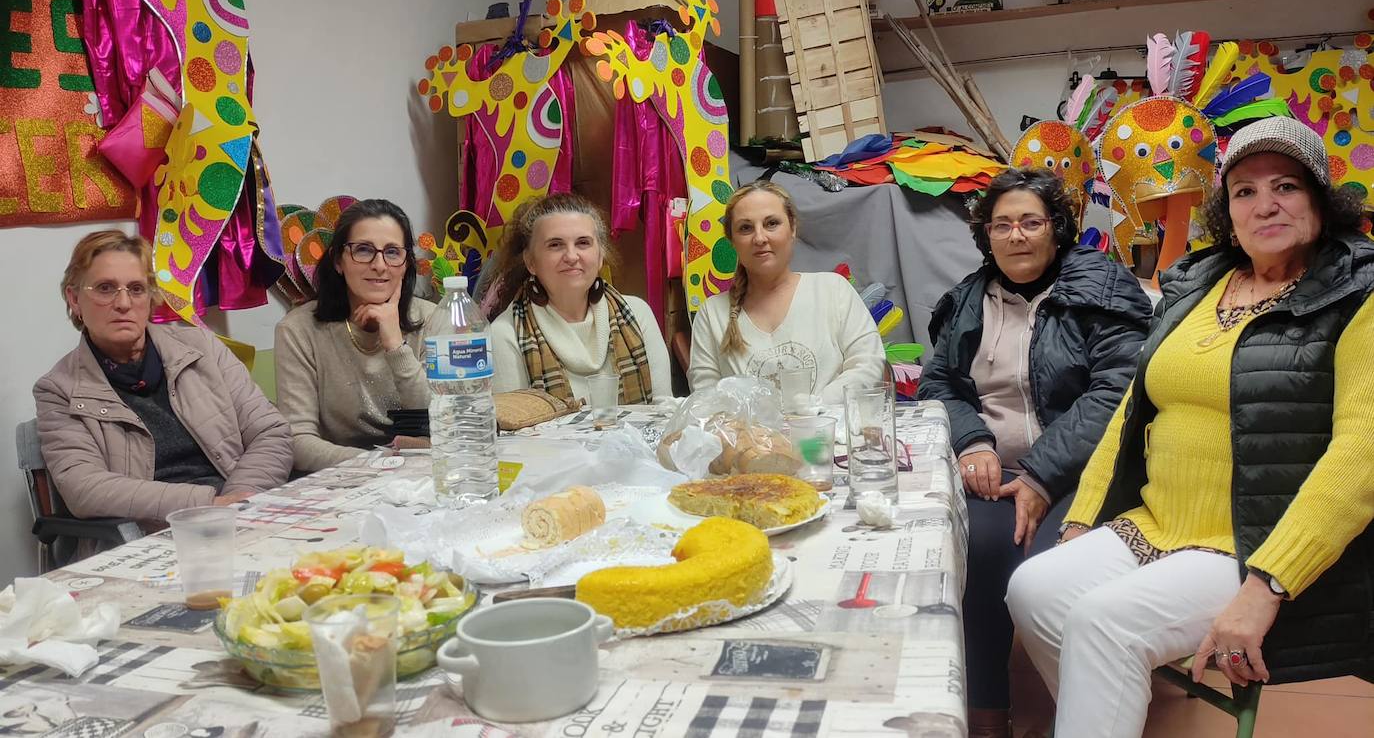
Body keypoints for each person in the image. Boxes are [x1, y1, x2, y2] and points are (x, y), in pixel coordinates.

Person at [1006, 116, 1374, 738]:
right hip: (1158, 521)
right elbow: (1132, 410)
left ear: (1320, 198)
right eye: (1245, 191)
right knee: (1034, 590)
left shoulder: (1356, 294)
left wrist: (1265, 586)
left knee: (1103, 622)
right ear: (1227, 211)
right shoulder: (1198, 285)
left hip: (1254, 538)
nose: (1266, 205)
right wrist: (1079, 520)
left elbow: (1361, 452)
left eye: (1286, 186)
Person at [916, 168, 1151, 737]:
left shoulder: (1101, 288)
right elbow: (938, 383)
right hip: (993, 472)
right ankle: (987, 711)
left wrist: (1043, 475)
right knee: (973, 553)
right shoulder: (969, 300)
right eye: (1002, 225)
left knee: (1050, 569)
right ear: (986, 237)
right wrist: (971, 440)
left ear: (1056, 229)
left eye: (1030, 222)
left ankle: (1084, 710)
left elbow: (1119, 389)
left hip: (1080, 473)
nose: (1016, 236)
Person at [34, 231, 291, 530]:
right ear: (74, 299)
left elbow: (270, 431)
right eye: (105, 288)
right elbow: (85, 488)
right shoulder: (58, 389)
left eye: (136, 288)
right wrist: (208, 505)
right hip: (152, 534)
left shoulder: (200, 347)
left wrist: (239, 501)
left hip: (241, 511)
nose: (123, 303)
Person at [275, 198, 436, 472]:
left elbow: (441, 419)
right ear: (339, 260)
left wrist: (395, 344)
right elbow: (298, 441)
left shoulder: (432, 319)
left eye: (393, 252)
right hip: (342, 477)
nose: (380, 265)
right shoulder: (297, 330)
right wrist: (378, 463)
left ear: (406, 263)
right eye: (363, 250)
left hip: (425, 473)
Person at [689, 180, 885, 403]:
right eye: (745, 228)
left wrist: (816, 407)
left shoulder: (833, 291)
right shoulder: (712, 313)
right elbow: (706, 397)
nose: (760, 238)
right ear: (732, 241)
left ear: (792, 228)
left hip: (828, 435)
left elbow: (868, 364)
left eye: (771, 223)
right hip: (751, 438)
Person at [488, 193, 672, 403]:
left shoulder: (638, 314)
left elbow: (663, 413)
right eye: (555, 245)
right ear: (531, 262)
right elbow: (514, 432)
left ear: (601, 255)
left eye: (583, 243)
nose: (572, 256)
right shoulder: (505, 334)